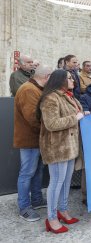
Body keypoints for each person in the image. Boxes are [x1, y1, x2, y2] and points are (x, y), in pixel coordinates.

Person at [37, 69, 84, 233]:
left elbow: (78, 114)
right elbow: (51, 124)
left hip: (69, 145)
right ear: (60, 80)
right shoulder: (51, 98)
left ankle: (63, 210)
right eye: (70, 78)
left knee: (66, 181)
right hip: (57, 147)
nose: (73, 80)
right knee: (56, 182)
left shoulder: (67, 95)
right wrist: (75, 118)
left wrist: (83, 114)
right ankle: (51, 218)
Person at [14, 65, 52, 222]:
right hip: (30, 140)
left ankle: (36, 200)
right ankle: (24, 207)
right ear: (47, 77)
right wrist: (50, 128)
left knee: (37, 171)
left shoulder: (35, 88)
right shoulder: (29, 90)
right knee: (27, 173)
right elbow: (33, 118)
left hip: (37, 139)